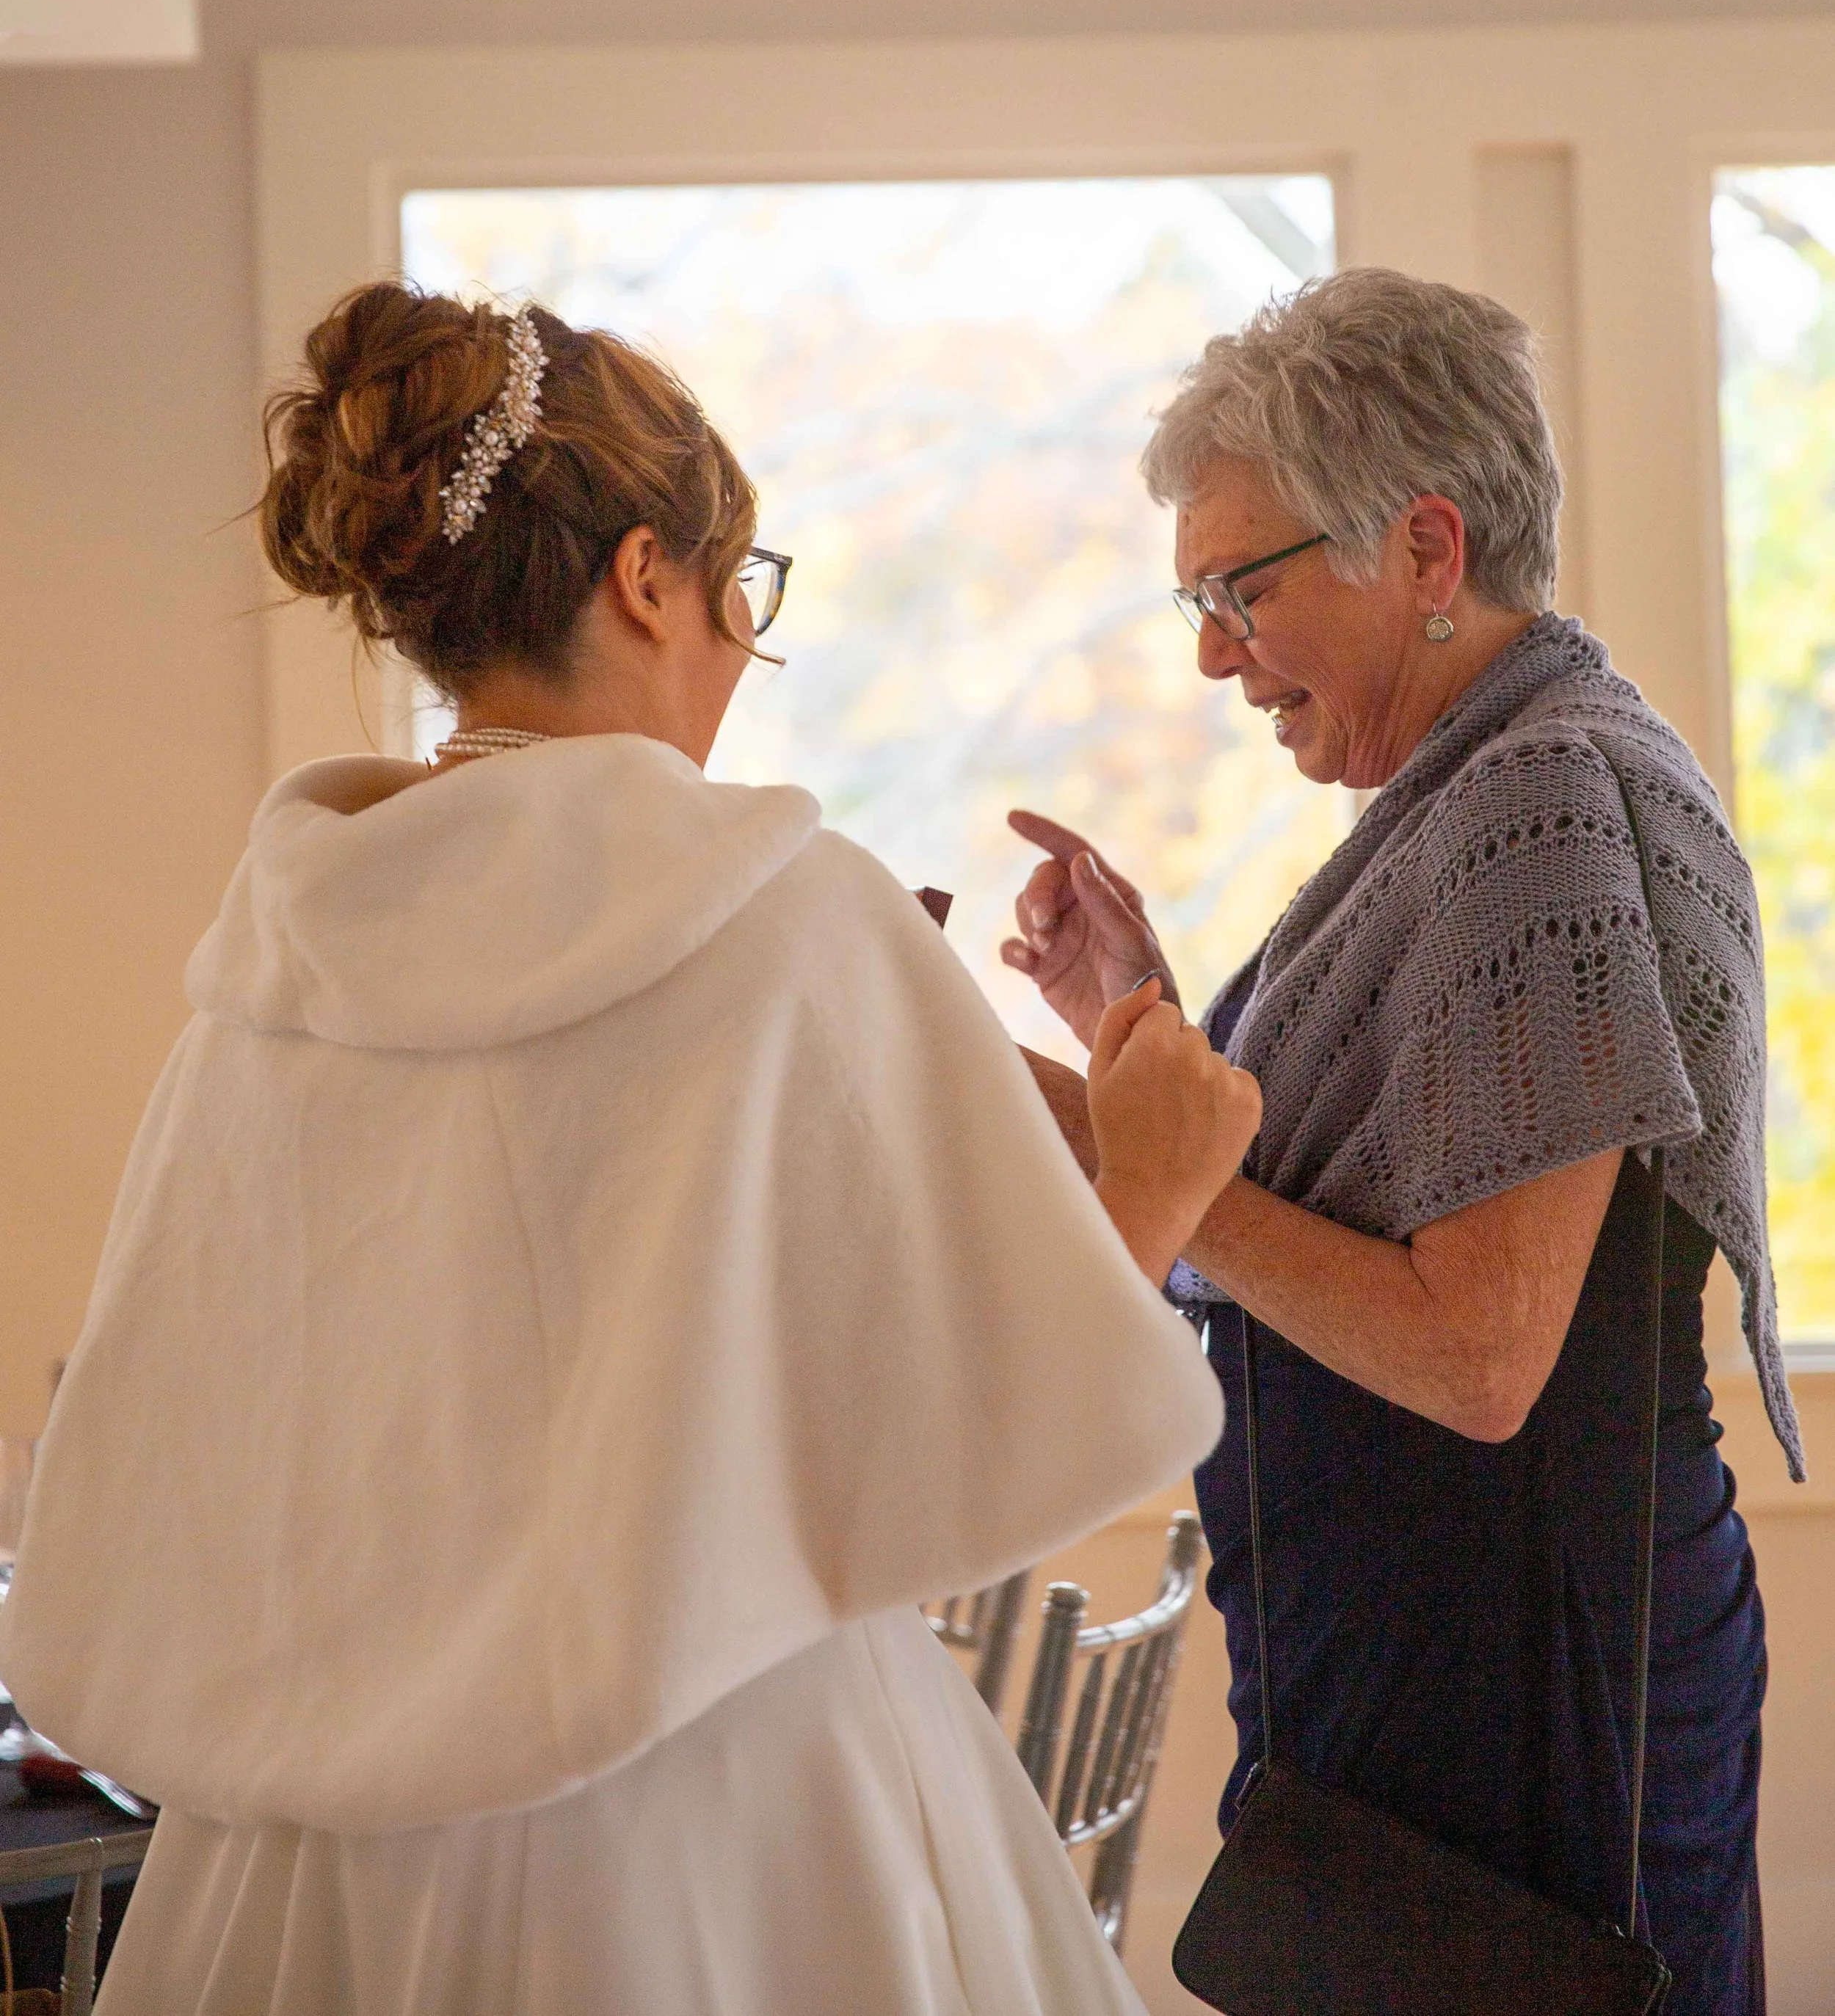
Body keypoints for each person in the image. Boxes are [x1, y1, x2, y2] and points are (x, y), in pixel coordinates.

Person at [1, 282, 1261, 2016]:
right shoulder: (794, 915)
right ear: (645, 576)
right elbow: (956, 1455)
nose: (744, 645)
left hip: (317, 1859)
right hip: (734, 1812)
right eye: (741, 588)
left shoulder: (273, 977)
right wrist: (1151, 1190)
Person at [1005, 268, 1800, 2016]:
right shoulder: (1482, 785)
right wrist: (1130, 1027)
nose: (1212, 654)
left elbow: (1475, 1352)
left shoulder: (1531, 799)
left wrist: (1153, 1149)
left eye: (1240, 587)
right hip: (1455, 1691)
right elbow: (1347, 1180)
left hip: (1511, 1731)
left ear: (1425, 551)